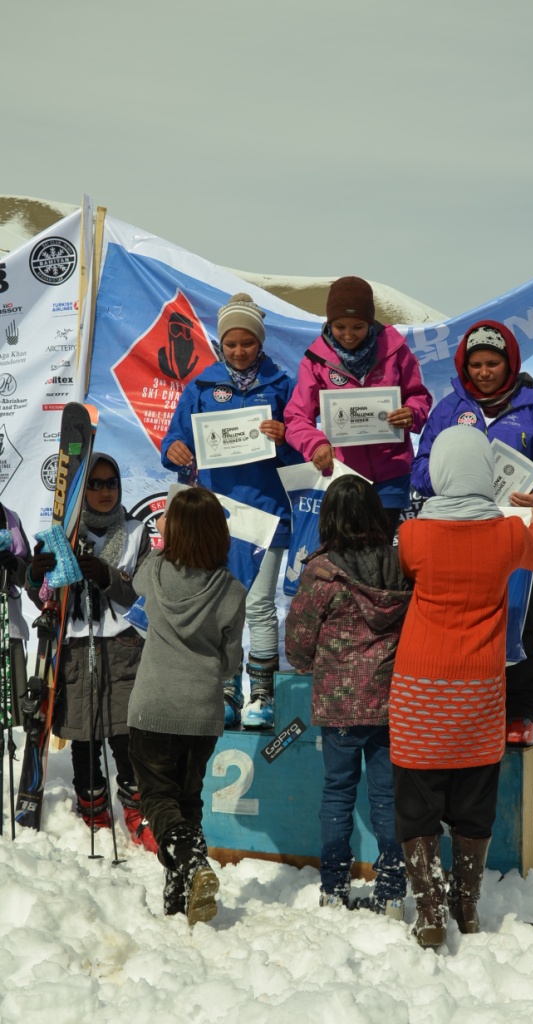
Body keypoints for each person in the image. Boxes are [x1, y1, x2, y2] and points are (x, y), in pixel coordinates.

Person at [391, 426, 533, 947]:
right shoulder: (508, 535)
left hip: (418, 688)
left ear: (441, 472)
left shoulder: (414, 535)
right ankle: (466, 907)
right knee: (474, 798)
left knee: (416, 801)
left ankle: (429, 911)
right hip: (479, 689)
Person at [411, 320, 533, 744]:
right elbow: (421, 465)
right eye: (476, 364)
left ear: (510, 362)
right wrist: (450, 481)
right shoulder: (449, 409)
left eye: (492, 364)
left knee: (520, 620)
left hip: (512, 533)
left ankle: (520, 713)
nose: (483, 372)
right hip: (457, 531)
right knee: (464, 624)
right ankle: (466, 712)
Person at [161, 292, 301, 730]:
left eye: (248, 343)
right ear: (220, 344)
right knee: (223, 606)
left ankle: (261, 693)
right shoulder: (202, 386)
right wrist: (173, 448)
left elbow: (302, 448)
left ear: (261, 343)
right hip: (216, 515)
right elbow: (175, 439)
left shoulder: (283, 385)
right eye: (231, 343)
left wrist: (286, 439)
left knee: (258, 604)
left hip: (268, 513)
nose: (239, 351)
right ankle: (226, 689)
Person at [285, 476, 410, 918]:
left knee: (337, 792)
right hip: (390, 700)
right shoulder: (401, 565)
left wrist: (306, 661)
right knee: (388, 795)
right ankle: (393, 891)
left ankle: (334, 888)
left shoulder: (322, 572)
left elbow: (298, 641)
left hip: (339, 705)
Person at [127, 486, 246, 925]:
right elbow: (230, 663)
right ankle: (179, 899)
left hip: (152, 707)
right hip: (202, 713)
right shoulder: (232, 590)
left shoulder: (154, 571)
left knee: (158, 800)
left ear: (172, 530)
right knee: (187, 801)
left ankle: (194, 864)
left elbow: (133, 587)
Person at [26, 453, 156, 850]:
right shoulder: (61, 535)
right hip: (75, 647)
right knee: (85, 737)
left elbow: (145, 593)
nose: (104, 491)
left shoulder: (136, 532)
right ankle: (92, 808)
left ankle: (137, 812)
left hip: (123, 647)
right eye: (95, 484)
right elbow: (42, 597)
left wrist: (108, 577)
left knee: (126, 736)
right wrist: (35, 574)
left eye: (110, 483)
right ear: (82, 491)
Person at [284, 276, 432, 540]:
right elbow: (296, 417)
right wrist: (315, 444)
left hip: (391, 473)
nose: (348, 335)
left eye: (358, 327)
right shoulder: (315, 361)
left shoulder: (395, 350)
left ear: (371, 323)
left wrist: (411, 413)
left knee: (380, 548)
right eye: (340, 326)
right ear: (329, 322)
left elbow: (418, 396)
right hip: (343, 477)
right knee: (347, 552)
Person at [0, 503, 31, 728]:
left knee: (9, 717)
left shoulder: (11, 517)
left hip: (9, 628)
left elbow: (29, 576)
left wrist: (14, 564)